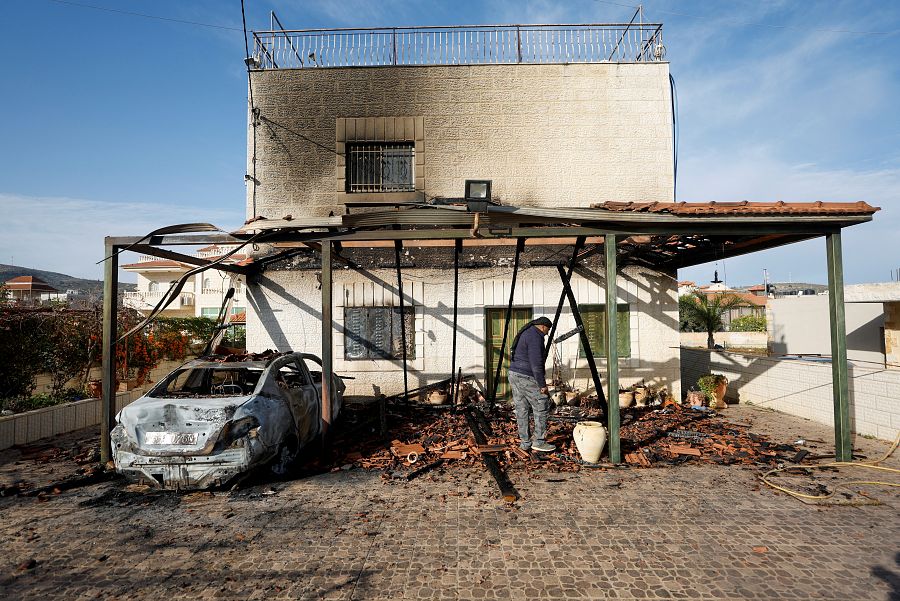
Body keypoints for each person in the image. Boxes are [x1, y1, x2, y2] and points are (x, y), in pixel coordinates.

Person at [507, 316, 556, 453]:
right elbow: (536, 364)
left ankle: (525, 443)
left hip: (514, 374)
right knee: (542, 403)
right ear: (542, 326)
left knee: (521, 408)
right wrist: (542, 385)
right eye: (547, 330)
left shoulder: (526, 332)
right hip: (525, 376)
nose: (547, 333)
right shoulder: (536, 336)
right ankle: (539, 442)